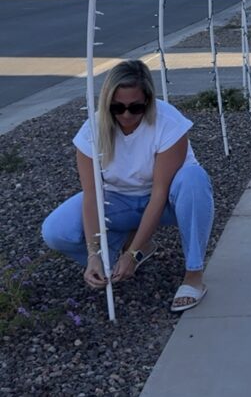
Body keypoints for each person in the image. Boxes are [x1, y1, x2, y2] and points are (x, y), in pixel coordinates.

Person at [42, 59, 214, 312]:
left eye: (135, 107)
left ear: (148, 101)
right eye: (117, 108)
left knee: (193, 179)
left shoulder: (169, 122)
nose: (126, 115)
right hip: (119, 200)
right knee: (56, 231)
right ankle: (124, 255)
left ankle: (193, 275)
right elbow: (92, 196)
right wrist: (94, 254)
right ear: (106, 104)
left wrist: (130, 254)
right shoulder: (92, 130)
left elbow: (159, 193)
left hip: (167, 201)